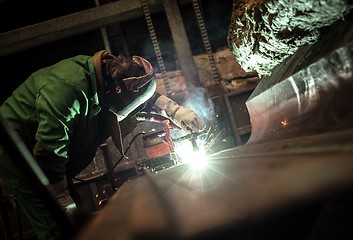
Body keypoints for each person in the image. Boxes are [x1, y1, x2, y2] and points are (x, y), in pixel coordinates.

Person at [0, 50, 205, 240]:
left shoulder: (111, 74)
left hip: (47, 147)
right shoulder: (66, 91)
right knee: (58, 224)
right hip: (17, 150)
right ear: (115, 91)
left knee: (75, 217)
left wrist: (173, 111)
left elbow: (136, 95)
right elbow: (49, 151)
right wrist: (60, 199)